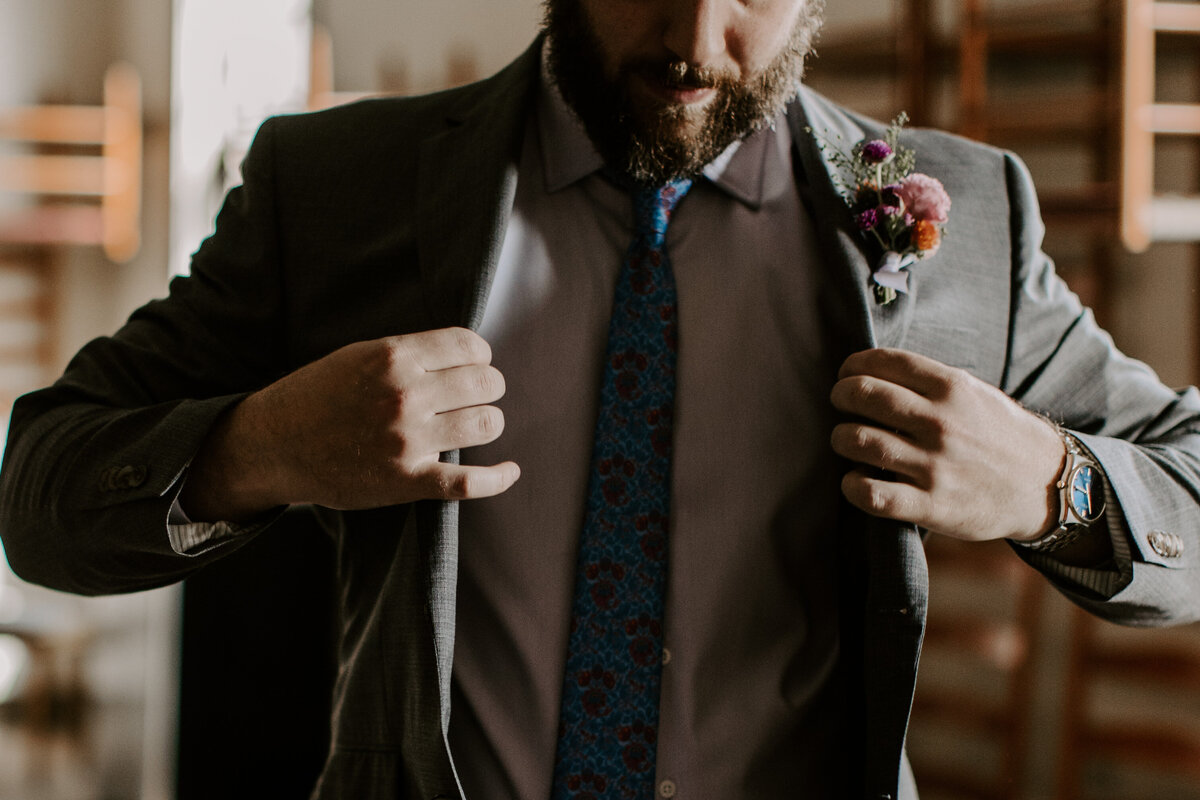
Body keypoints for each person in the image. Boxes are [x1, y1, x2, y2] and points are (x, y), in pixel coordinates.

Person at [3, 0, 1200, 797]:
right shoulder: (335, 190)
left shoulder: (968, 217)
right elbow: (40, 486)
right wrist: (258, 446)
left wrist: (1054, 480)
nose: (692, 33)